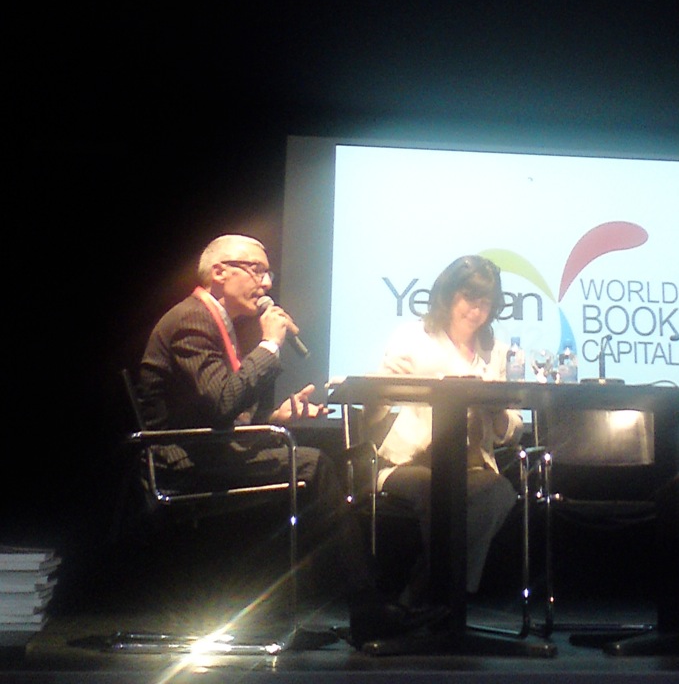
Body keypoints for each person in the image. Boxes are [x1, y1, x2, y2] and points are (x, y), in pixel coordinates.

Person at [138, 233, 440, 646]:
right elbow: (222, 402)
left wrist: (275, 417)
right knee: (313, 465)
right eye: (256, 271)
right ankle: (367, 609)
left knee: (311, 464)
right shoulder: (193, 319)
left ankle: (325, 608)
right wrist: (270, 343)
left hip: (206, 450)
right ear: (219, 272)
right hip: (184, 462)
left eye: (268, 274)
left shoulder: (215, 321)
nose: (266, 284)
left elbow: (218, 408)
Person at [376, 254, 523, 603]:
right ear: (448, 294)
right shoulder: (413, 337)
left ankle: (428, 595)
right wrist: (382, 383)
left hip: (472, 467)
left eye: (486, 302)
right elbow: (374, 412)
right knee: (439, 491)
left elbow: (512, 430)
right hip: (408, 463)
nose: (477, 310)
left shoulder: (496, 352)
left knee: (499, 493)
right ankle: (444, 600)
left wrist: (497, 410)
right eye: (470, 298)